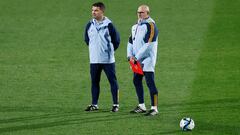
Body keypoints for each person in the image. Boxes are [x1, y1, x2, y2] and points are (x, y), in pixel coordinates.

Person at [84, 2, 120, 112]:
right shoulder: (89, 24)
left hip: (107, 60)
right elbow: (87, 40)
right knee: (94, 82)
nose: (93, 12)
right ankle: (94, 104)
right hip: (94, 59)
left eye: (96, 10)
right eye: (92, 10)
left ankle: (115, 104)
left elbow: (116, 41)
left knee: (112, 81)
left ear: (102, 12)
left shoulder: (109, 25)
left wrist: (108, 51)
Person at [127, 5, 159, 116]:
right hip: (136, 60)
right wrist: (129, 56)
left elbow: (149, 43)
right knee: (136, 80)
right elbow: (130, 41)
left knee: (150, 82)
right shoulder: (135, 26)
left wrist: (136, 57)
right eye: (138, 12)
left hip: (148, 59)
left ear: (147, 13)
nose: (139, 14)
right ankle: (141, 106)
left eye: (142, 12)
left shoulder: (151, 25)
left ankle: (154, 108)